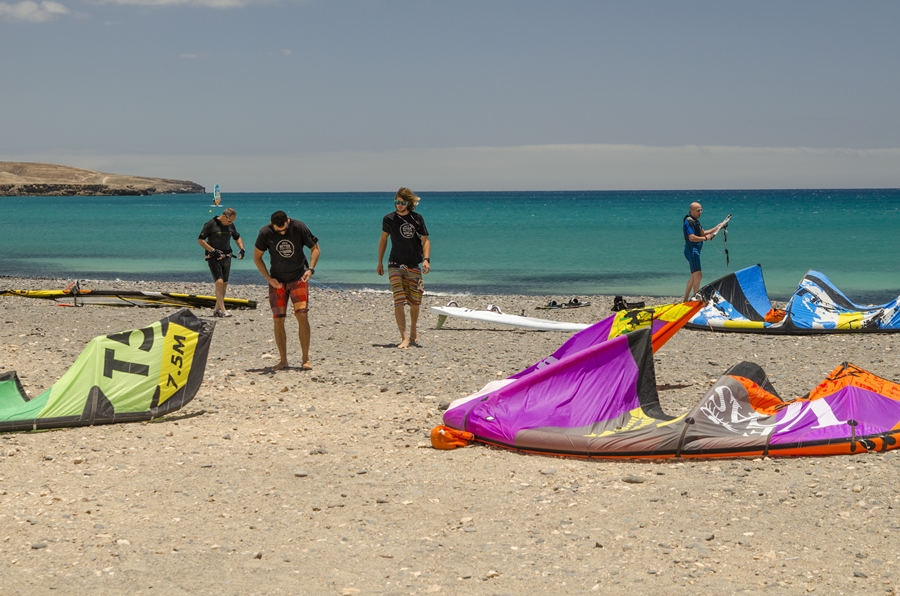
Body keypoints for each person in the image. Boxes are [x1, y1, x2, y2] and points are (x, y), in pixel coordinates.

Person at [253, 210, 320, 371]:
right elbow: (257, 257)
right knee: (278, 319)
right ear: (272, 225)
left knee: (302, 315)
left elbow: (315, 249)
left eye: (284, 229)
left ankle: (305, 359)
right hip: (277, 281)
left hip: (298, 278)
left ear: (287, 221)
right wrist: (269, 279)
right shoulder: (265, 233)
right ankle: (283, 360)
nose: (282, 232)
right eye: (278, 231)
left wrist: (310, 269)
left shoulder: (299, 227)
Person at [377, 187, 431, 349]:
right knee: (398, 300)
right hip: (394, 264)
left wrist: (426, 260)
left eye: (402, 203)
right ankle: (404, 337)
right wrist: (379, 261)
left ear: (409, 203)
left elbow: (425, 240)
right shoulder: (389, 219)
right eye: (396, 202)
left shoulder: (417, 219)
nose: (399, 205)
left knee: (415, 302)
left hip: (414, 264)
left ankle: (414, 329)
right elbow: (383, 240)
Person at [198, 207, 245, 317]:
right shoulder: (211, 224)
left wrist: (242, 248)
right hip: (214, 257)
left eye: (232, 221)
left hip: (227, 256)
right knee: (218, 282)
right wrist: (213, 251)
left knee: (224, 284)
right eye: (229, 221)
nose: (230, 223)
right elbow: (200, 240)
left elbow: (237, 237)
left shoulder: (230, 225)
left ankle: (216, 310)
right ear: (224, 215)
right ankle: (223, 310)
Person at [682, 202, 729, 302]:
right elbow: (692, 238)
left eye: (701, 210)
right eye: (698, 210)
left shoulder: (696, 221)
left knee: (694, 276)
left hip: (695, 251)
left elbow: (703, 233)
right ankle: (695, 301)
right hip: (692, 251)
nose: (700, 212)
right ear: (691, 211)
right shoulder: (689, 221)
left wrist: (717, 227)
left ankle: (685, 300)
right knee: (698, 276)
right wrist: (705, 239)